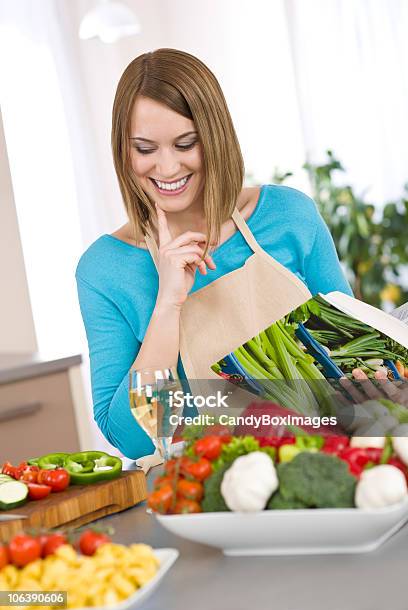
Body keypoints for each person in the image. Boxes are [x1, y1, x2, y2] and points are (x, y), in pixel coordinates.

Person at [75, 48, 353, 459]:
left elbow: (357, 362)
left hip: (333, 465)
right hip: (212, 492)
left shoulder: (289, 216)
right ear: (123, 150)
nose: (167, 168)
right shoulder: (106, 268)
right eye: (145, 149)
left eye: (185, 144)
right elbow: (137, 438)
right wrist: (167, 304)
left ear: (215, 136)